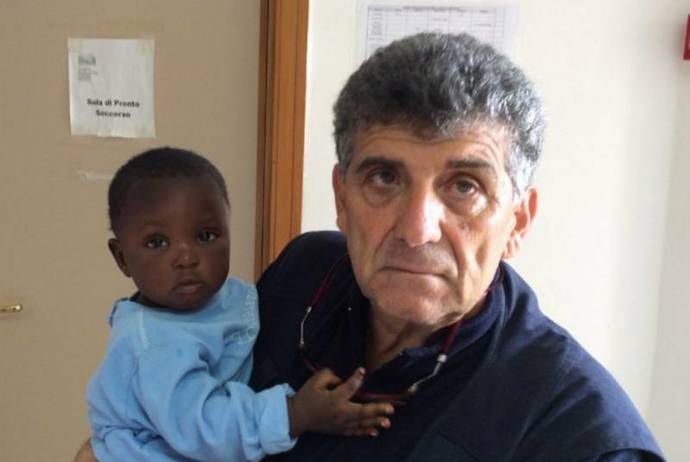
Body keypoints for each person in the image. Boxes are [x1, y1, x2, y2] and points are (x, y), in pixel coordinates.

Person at [76, 33, 665, 461]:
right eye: (384, 178)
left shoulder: (578, 435)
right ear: (341, 195)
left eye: (465, 186)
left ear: (518, 220)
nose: (416, 229)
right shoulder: (303, 275)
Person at [84, 147, 393, 462]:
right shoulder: (154, 346)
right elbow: (205, 429)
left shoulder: (226, 296)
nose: (186, 258)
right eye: (157, 242)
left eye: (206, 236)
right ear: (122, 258)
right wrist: (294, 414)